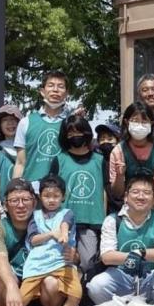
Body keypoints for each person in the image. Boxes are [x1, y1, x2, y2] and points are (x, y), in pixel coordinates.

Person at [0, 178, 77, 306]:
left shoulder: (44, 219)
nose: (20, 205)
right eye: (14, 201)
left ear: (34, 202)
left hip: (42, 296)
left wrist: (74, 256)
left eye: (25, 199)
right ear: (5, 205)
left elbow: (67, 232)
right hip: (13, 295)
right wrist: (12, 287)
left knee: (53, 282)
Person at [87, 174, 154, 305]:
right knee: (97, 286)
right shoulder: (112, 220)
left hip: (150, 274)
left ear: (153, 199)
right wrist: (132, 257)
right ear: (126, 197)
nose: (141, 197)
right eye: (135, 192)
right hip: (120, 274)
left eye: (147, 193)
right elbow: (107, 256)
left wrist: (139, 253)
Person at [49, 115, 107, 275]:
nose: (75, 136)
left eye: (79, 132)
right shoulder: (59, 159)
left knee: (88, 261)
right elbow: (51, 191)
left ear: (86, 133)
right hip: (64, 222)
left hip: (91, 220)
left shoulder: (99, 160)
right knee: (63, 260)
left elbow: (106, 191)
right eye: (70, 133)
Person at [13, 71, 71, 189]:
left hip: (62, 191)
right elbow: (20, 163)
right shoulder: (26, 122)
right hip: (31, 190)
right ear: (42, 91)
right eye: (51, 85)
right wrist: (14, 190)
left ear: (66, 93)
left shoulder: (71, 124)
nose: (55, 90)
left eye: (60, 86)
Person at [109, 102, 154, 201]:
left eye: (144, 121)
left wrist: (148, 209)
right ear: (127, 122)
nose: (139, 125)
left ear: (151, 123)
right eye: (135, 121)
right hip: (129, 207)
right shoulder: (118, 152)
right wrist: (120, 176)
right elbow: (117, 193)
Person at [95, 122, 122, 215]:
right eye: (102, 139)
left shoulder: (124, 159)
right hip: (106, 211)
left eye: (110, 139)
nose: (106, 141)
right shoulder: (98, 161)